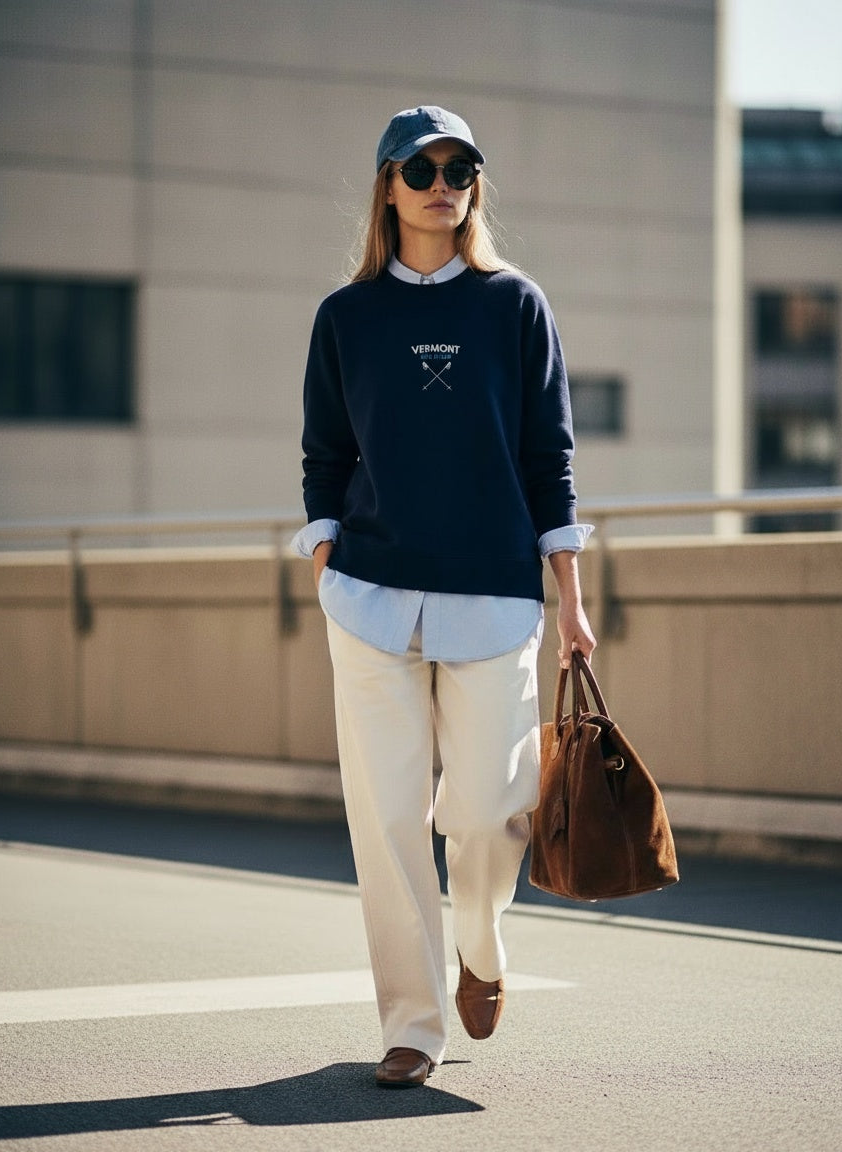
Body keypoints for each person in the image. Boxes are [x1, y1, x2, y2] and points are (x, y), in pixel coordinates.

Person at [293, 106, 597, 1088]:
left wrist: (573, 603)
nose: (440, 181)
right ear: (386, 185)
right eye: (418, 167)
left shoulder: (514, 307)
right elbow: (325, 454)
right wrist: (325, 549)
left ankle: (480, 945)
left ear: (472, 185)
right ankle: (411, 1026)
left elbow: (547, 458)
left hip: (493, 594)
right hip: (370, 597)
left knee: (487, 808)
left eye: (458, 166)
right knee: (384, 820)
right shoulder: (345, 317)